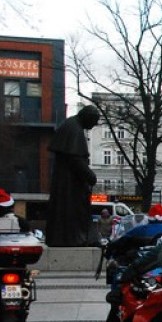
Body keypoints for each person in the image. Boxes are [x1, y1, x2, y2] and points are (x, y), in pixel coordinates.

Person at [98, 203, 162, 322]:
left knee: (119, 297)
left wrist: (110, 252)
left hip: (139, 271)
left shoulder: (140, 230)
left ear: (149, 217)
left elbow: (118, 243)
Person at [47, 105, 99, 247]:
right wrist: (90, 175)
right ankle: (73, 239)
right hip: (70, 184)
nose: (94, 126)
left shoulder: (71, 125)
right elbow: (75, 158)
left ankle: (69, 239)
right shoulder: (74, 128)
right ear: (88, 117)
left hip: (67, 182)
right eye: (94, 122)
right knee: (73, 211)